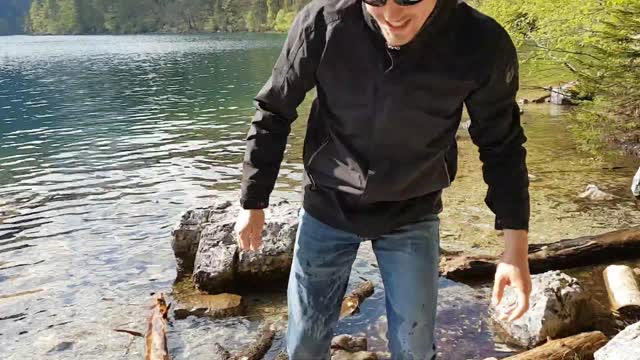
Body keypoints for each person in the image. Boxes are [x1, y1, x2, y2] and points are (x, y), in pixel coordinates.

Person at [234, 0, 532, 358]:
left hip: (412, 211)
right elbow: (274, 111)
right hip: (327, 206)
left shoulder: (480, 42)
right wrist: (253, 200)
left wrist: (515, 249)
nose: (392, 15)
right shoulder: (324, 23)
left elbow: (501, 144)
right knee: (304, 342)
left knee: (414, 346)